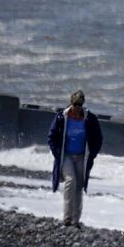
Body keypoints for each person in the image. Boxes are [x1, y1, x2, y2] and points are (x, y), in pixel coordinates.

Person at [47, 90, 104, 226]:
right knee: (70, 181)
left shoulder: (90, 118)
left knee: (79, 186)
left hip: (81, 157)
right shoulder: (62, 117)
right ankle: (67, 217)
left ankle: (76, 219)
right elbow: (51, 136)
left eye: (80, 104)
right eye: (75, 104)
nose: (77, 107)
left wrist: (92, 154)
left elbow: (98, 138)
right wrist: (57, 153)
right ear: (71, 103)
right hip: (65, 156)